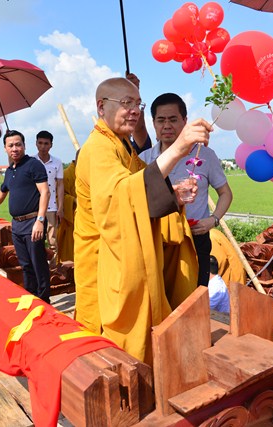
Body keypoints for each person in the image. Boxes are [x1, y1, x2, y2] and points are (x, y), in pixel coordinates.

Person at [74, 76, 212, 363]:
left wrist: (174, 195)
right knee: (107, 348)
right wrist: (179, 148)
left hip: (122, 253)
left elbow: (141, 187)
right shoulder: (98, 147)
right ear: (101, 107)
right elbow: (121, 198)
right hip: (104, 257)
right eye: (126, 103)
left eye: (138, 104)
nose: (134, 111)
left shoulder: (122, 145)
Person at [140, 93, 233, 286]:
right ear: (153, 123)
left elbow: (226, 193)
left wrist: (213, 220)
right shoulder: (144, 159)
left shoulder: (204, 155)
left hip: (195, 238)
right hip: (157, 240)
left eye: (173, 119)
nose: (167, 126)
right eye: (161, 120)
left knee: (196, 295)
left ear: (185, 121)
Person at [0, 130, 51, 303]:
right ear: (5, 149)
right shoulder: (10, 171)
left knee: (38, 263)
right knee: (25, 264)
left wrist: (40, 220)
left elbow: (45, 192)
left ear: (24, 146)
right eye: (11, 145)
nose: (15, 148)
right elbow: (2, 191)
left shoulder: (33, 165)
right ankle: (31, 298)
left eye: (18, 144)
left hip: (33, 222)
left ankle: (44, 300)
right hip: (17, 225)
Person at [35, 130, 64, 265]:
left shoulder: (57, 163)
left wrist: (61, 207)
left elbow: (60, 185)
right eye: (40, 143)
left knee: (52, 240)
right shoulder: (31, 162)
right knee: (36, 239)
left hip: (52, 207)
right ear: (36, 144)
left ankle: (53, 268)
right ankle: (39, 267)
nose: (43, 146)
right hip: (35, 207)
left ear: (51, 145)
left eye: (46, 143)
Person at [56, 151, 78, 263]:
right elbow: (59, 196)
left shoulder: (89, 173)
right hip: (71, 218)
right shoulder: (66, 174)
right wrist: (73, 200)